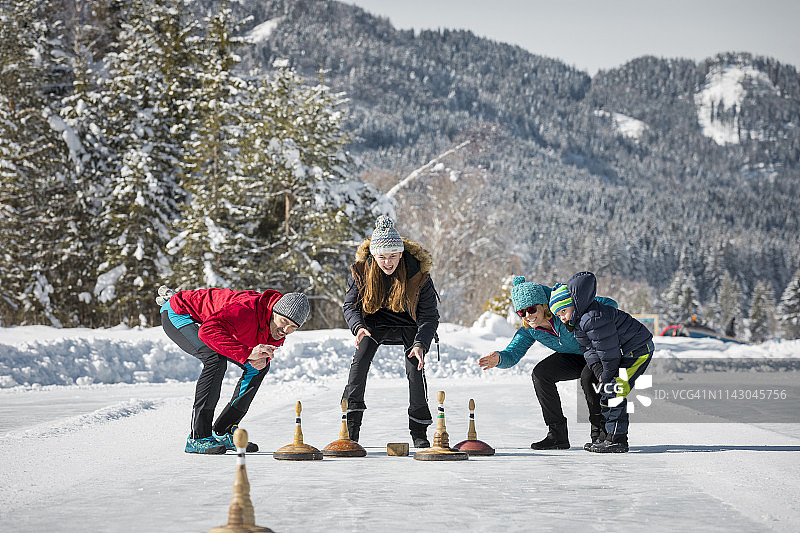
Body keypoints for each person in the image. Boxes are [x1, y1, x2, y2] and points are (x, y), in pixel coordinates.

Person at [160, 287, 309, 454]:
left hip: (211, 322)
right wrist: (247, 353)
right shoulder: (246, 310)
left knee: (258, 368)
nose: (286, 330)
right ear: (274, 311)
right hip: (180, 312)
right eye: (284, 321)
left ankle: (224, 429)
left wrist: (257, 357)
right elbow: (207, 331)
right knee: (214, 360)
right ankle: (198, 436)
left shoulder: (274, 327)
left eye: (293, 327)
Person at [479, 276, 617, 450]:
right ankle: (557, 434)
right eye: (522, 312)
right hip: (572, 356)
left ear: (542, 305)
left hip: (597, 353)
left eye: (531, 309)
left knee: (588, 377)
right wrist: (499, 358)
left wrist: (588, 317)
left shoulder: (563, 307)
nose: (528, 316)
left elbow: (610, 304)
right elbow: (512, 353)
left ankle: (601, 432)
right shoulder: (530, 331)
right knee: (541, 374)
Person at [341, 215, 439, 448]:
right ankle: (351, 429)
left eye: (393, 256)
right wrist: (358, 327)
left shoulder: (418, 275)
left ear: (401, 254)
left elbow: (429, 315)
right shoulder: (361, 272)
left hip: (409, 323)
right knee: (360, 362)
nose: (388, 262)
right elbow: (349, 306)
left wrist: (420, 344)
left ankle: (419, 430)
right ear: (374, 256)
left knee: (415, 368)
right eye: (382, 257)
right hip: (372, 323)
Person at [549, 271, 654, 453]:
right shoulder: (579, 323)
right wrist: (598, 370)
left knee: (613, 390)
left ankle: (617, 439)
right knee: (608, 390)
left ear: (574, 304)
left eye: (564, 311)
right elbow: (589, 350)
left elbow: (609, 352)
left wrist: (607, 374)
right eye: (558, 315)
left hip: (638, 351)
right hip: (625, 352)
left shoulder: (593, 318)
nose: (562, 317)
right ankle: (607, 436)